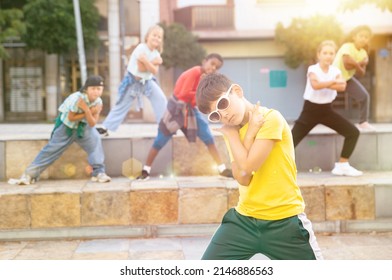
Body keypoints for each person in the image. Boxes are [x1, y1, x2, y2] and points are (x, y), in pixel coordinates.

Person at [195, 72, 322, 260]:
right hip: (244, 220)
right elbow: (243, 178)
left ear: (236, 91)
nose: (224, 114)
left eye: (222, 104)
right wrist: (241, 135)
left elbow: (246, 167)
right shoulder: (233, 132)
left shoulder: (271, 119)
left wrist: (241, 135)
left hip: (284, 221)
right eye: (216, 114)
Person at [137, 53, 232, 180]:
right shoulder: (195, 72)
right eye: (212, 64)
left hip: (190, 111)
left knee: (208, 137)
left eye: (217, 67)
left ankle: (222, 169)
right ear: (205, 61)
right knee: (160, 140)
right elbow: (184, 94)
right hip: (176, 110)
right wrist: (201, 94)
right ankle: (145, 171)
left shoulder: (204, 78)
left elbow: (195, 99)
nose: (214, 68)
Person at [8, 75, 111, 185]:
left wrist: (87, 111)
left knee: (95, 143)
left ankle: (99, 173)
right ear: (86, 89)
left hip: (84, 127)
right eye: (93, 88)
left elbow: (92, 123)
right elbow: (71, 118)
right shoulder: (77, 99)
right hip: (66, 127)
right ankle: (29, 175)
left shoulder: (98, 102)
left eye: (99, 89)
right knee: (51, 150)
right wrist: (87, 110)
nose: (96, 92)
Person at [292, 40, 362, 177]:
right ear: (319, 55)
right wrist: (333, 82)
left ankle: (342, 165)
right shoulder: (312, 69)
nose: (328, 56)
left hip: (327, 110)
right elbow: (315, 85)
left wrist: (325, 83)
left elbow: (342, 86)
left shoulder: (336, 70)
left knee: (353, 132)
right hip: (310, 111)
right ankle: (276, 167)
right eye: (325, 53)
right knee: (290, 140)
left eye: (331, 53)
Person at [96, 24, 167, 136]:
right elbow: (141, 68)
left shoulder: (156, 53)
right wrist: (153, 62)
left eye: (159, 37)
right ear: (147, 36)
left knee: (161, 99)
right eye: (154, 35)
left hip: (147, 82)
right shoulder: (141, 48)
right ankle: (106, 128)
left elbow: (154, 71)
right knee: (122, 104)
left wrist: (147, 61)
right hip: (132, 81)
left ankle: (164, 127)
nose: (156, 38)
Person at [333, 25, 374, 131]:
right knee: (324, 100)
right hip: (333, 77)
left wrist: (356, 64)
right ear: (354, 37)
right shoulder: (347, 46)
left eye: (366, 37)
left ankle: (363, 122)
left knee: (364, 96)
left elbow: (361, 73)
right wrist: (361, 63)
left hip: (346, 79)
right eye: (361, 36)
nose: (363, 39)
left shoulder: (363, 53)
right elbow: (347, 64)